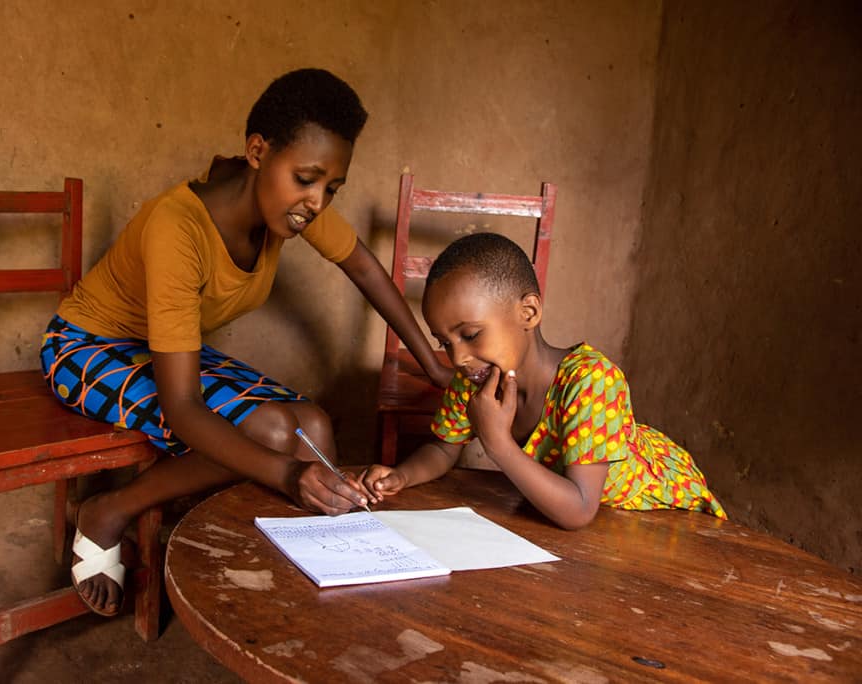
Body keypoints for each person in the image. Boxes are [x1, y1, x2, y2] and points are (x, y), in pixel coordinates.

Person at [41, 68, 452, 616]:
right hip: (86, 346)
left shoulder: (292, 209)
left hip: (164, 347)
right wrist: (289, 474)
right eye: (306, 179)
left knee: (316, 427)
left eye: (331, 188)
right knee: (279, 434)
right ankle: (108, 511)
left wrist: (434, 365)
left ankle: (307, 595)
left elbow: (367, 270)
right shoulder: (177, 227)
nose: (316, 201)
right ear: (258, 151)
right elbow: (182, 409)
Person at [358, 232, 726, 529]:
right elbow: (443, 450)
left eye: (469, 335)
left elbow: (580, 510)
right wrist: (402, 476)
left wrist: (498, 443)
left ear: (528, 312)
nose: (457, 357)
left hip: (664, 515)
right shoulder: (475, 377)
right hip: (602, 524)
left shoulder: (591, 381)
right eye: (444, 342)